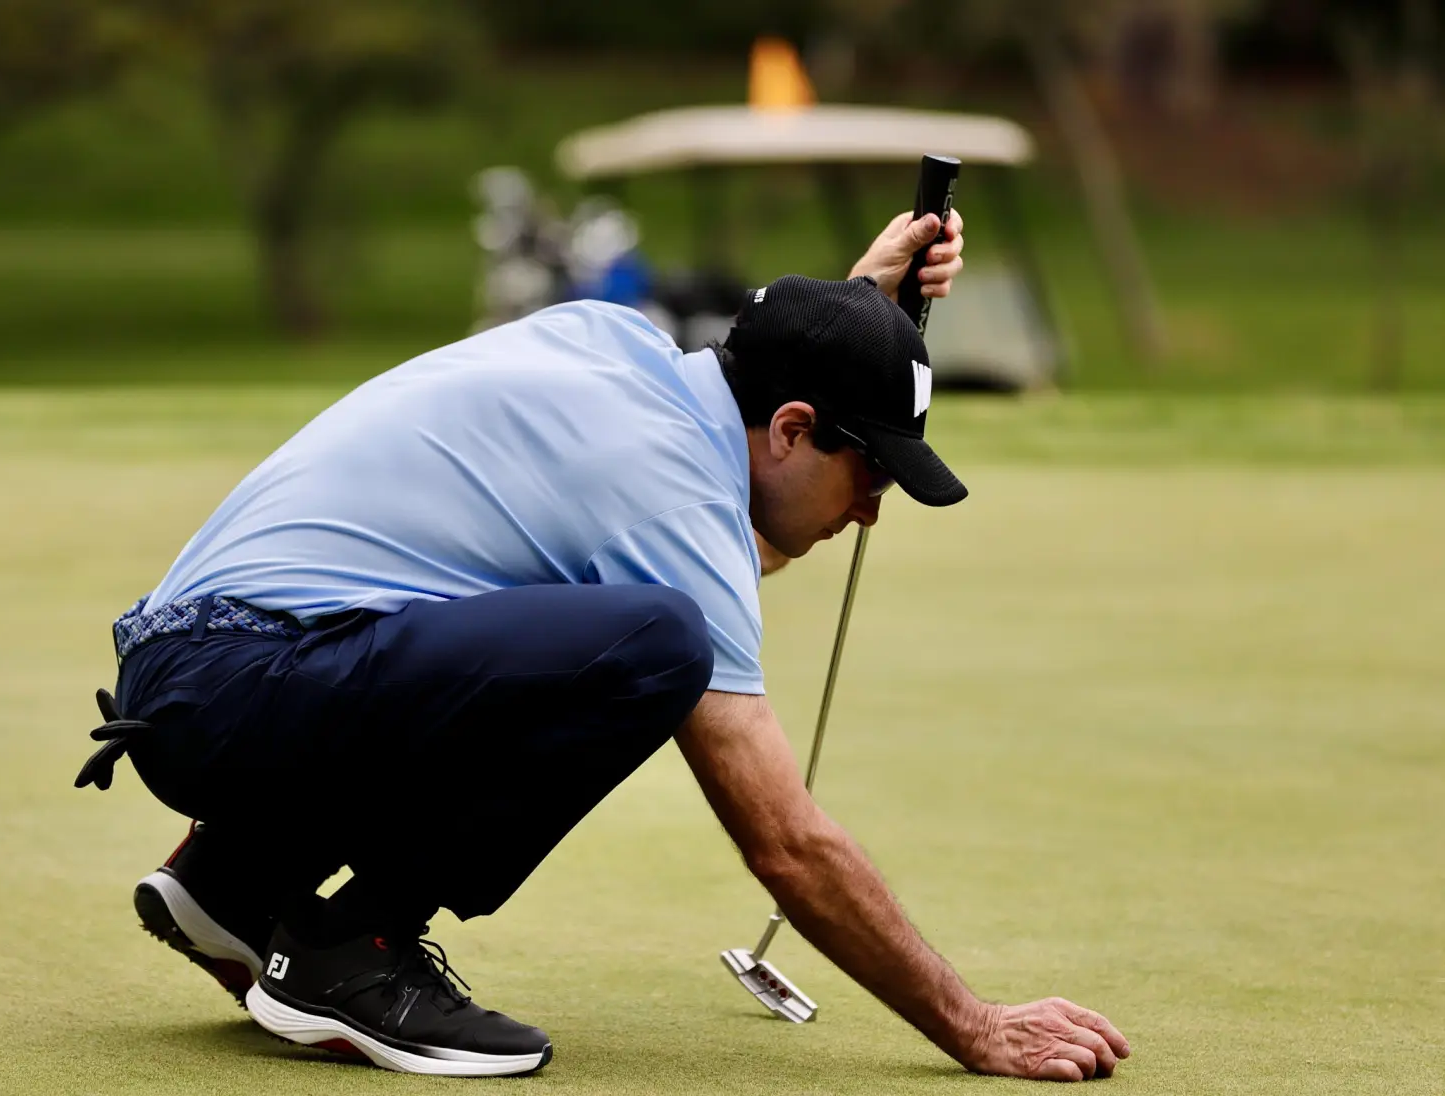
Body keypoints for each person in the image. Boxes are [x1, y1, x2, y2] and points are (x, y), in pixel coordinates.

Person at [77, 208, 1131, 1081]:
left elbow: (728, 493)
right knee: (654, 647)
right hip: (244, 690)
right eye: (874, 475)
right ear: (794, 430)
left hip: (203, 678)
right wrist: (972, 1022)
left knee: (605, 630)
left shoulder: (620, 352)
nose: (868, 514)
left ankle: (235, 875)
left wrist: (859, 317)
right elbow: (785, 841)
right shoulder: (670, 488)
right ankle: (357, 948)